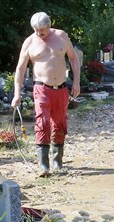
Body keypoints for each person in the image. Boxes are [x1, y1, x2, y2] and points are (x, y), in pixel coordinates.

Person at [11, 11, 80, 177]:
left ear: (48, 26)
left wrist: (76, 81)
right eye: (35, 30)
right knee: (42, 123)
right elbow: (20, 69)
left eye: (41, 30)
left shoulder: (61, 36)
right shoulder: (30, 42)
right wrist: (16, 93)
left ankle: (57, 162)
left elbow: (73, 58)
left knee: (59, 124)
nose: (38, 33)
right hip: (41, 88)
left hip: (61, 89)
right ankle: (44, 166)